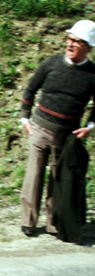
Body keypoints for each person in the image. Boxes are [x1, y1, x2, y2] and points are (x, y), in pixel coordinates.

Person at [20, 20, 95, 237]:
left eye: (77, 41)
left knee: (58, 179)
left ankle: (54, 223)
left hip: (67, 135)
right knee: (33, 176)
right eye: (69, 39)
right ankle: (29, 222)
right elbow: (30, 91)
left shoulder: (92, 75)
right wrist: (25, 120)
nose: (70, 44)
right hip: (40, 129)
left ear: (88, 47)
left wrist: (89, 126)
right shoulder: (50, 64)